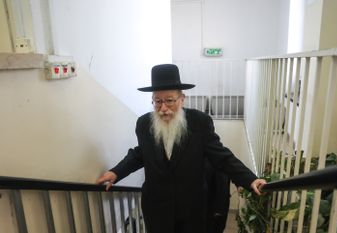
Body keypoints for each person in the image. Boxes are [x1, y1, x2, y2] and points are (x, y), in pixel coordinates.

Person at [96, 64, 266, 233]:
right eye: (158, 101)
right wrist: (116, 172)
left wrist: (249, 179)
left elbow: (221, 156)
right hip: (157, 210)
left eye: (169, 101)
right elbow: (140, 153)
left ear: (182, 99)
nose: (163, 108)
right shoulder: (144, 124)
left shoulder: (199, 122)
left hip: (192, 209)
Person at [205, 160, 230, 233]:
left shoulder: (225, 161)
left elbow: (231, 176)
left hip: (223, 206)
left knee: (220, 228)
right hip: (209, 207)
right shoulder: (204, 160)